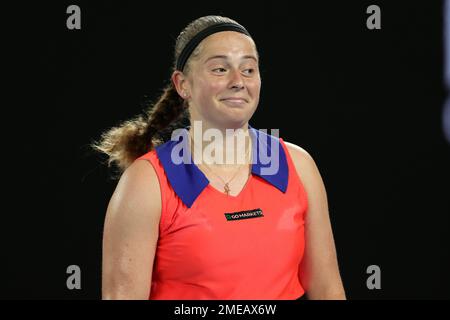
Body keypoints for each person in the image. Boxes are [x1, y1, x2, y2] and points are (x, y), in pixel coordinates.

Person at [93, 15, 346, 300]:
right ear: (182, 84)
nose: (239, 81)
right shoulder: (147, 182)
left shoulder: (297, 166)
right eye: (220, 69)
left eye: (249, 69)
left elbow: (328, 291)